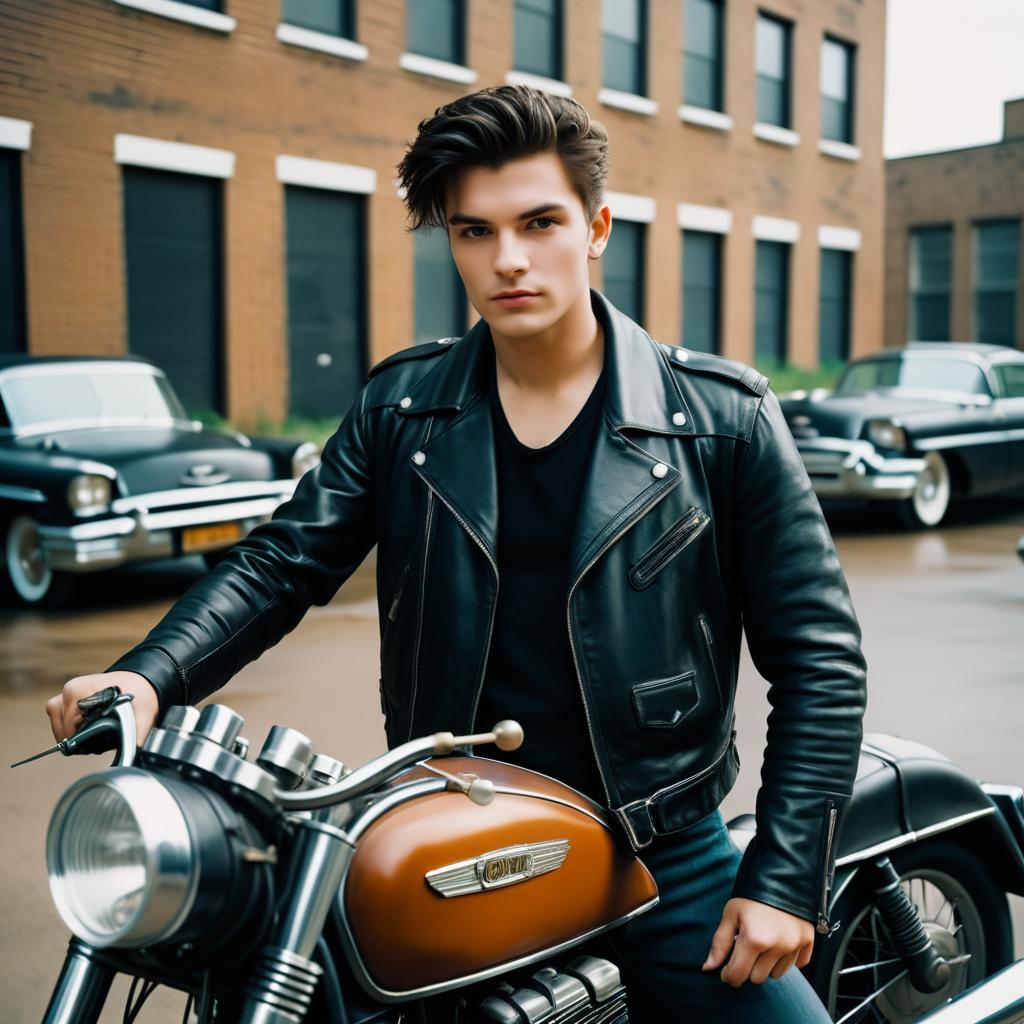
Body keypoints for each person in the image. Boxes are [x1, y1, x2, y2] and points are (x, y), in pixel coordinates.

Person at [46, 85, 866, 1021]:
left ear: (596, 227)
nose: (507, 260)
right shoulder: (405, 408)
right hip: (458, 837)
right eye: (473, 232)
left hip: (657, 846)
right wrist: (152, 676)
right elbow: (283, 563)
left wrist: (786, 877)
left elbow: (820, 661)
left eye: (539, 222)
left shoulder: (720, 418)